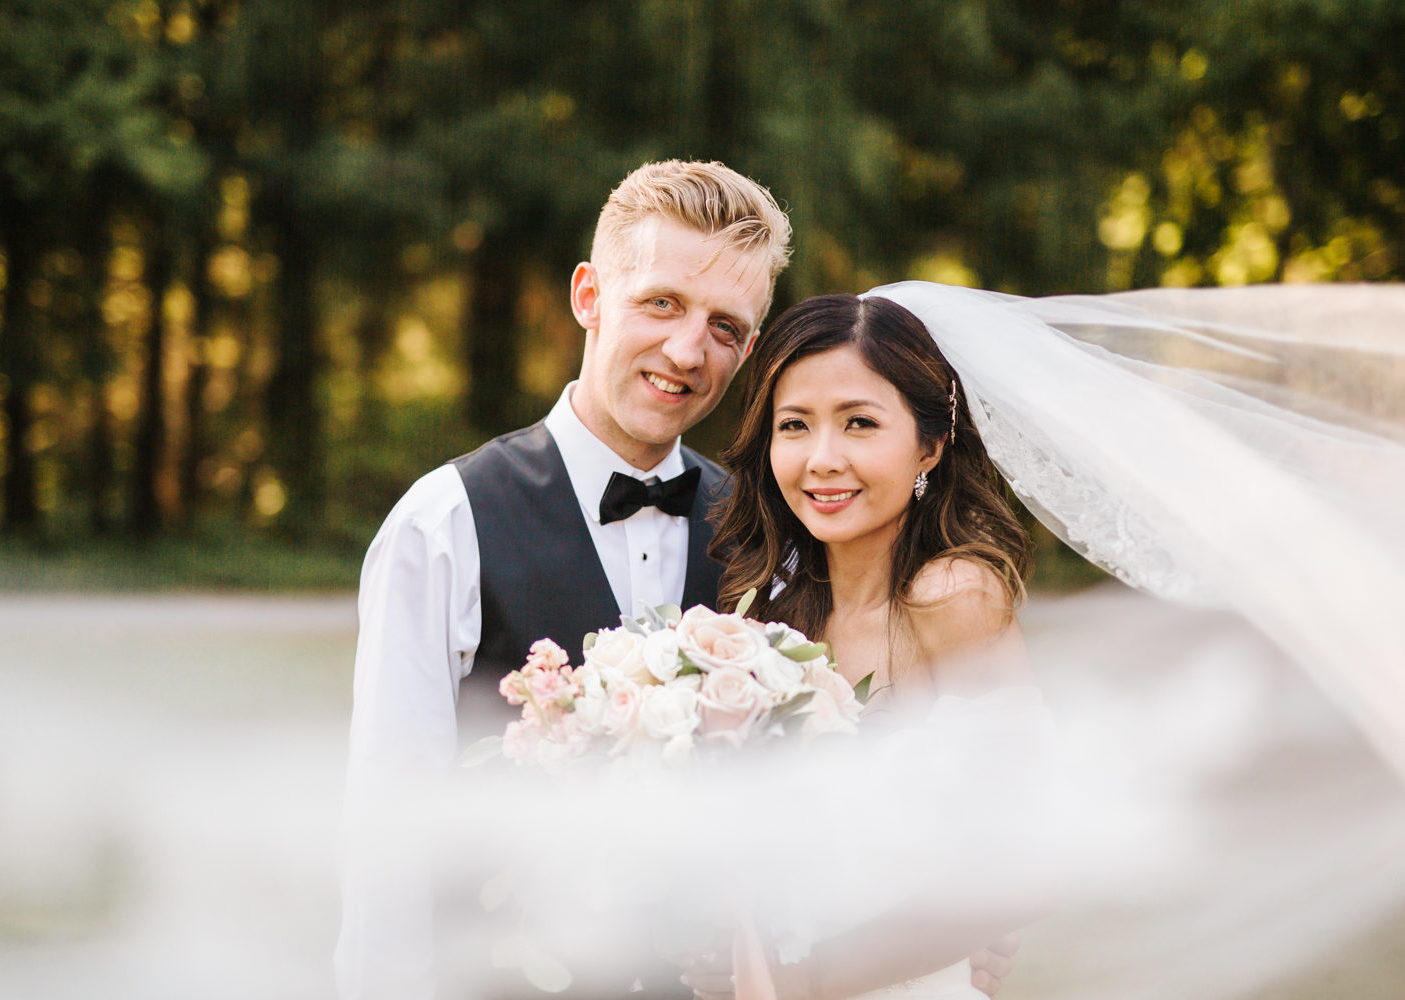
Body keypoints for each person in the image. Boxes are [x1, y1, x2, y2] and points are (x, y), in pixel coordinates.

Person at [337, 161, 1020, 999]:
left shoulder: (777, 534)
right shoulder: (443, 525)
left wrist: (937, 933)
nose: (689, 350)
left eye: (728, 327)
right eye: (661, 303)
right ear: (589, 296)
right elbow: (389, 836)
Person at [696, 293, 1042, 999]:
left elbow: (1033, 848)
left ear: (930, 444)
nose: (823, 459)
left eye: (859, 423)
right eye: (795, 425)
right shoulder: (765, 614)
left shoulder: (951, 598)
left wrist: (809, 981)